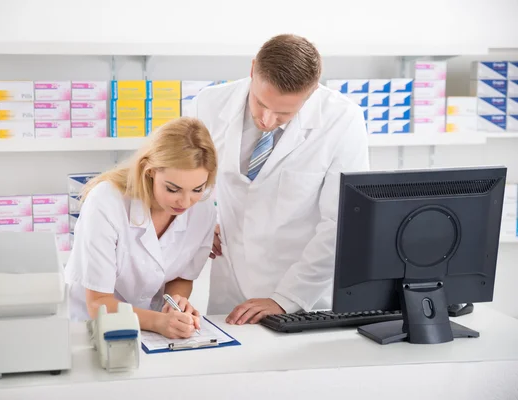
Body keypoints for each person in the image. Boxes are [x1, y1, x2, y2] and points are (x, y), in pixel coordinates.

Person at [184, 34, 369, 325]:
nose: (267, 120)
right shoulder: (208, 104)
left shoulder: (343, 120)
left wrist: (286, 298)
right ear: (253, 69)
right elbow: (189, 176)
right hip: (230, 285)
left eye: (284, 113)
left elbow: (341, 224)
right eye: (260, 102)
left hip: (301, 293)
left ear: (311, 92)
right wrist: (199, 223)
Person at [64, 117, 218, 339]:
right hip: (89, 329)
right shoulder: (107, 202)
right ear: (150, 171)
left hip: (153, 332)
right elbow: (98, 302)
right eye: (173, 189)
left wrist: (176, 304)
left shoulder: (203, 211)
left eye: (197, 189)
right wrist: (158, 321)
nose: (184, 202)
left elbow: (182, 276)